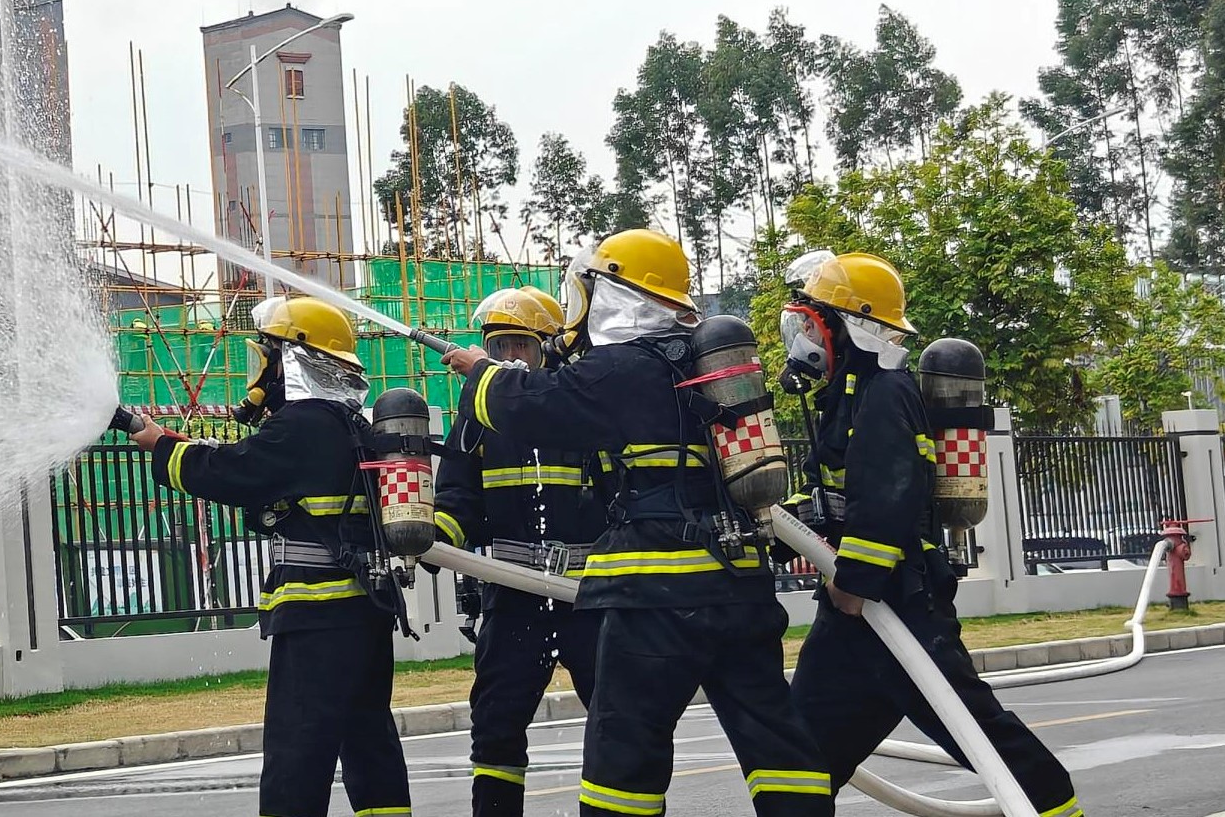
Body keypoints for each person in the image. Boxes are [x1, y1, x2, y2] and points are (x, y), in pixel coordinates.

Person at [441, 229, 831, 817]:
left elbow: (528, 406)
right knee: (778, 748)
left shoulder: (621, 367)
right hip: (740, 587)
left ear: (612, 293)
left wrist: (482, 371)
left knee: (623, 758)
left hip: (657, 597)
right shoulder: (697, 364)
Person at [780, 252, 1083, 817]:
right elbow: (841, 497)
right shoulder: (846, 395)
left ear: (843, 325)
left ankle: (1054, 808)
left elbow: (892, 495)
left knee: (989, 741)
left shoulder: (885, 393)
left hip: (898, 605)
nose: (800, 337)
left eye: (808, 322)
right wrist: (781, 526)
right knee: (799, 759)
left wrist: (856, 582)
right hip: (854, 620)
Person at [122, 295, 410, 817]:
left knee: (297, 751)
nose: (262, 370)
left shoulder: (303, 425)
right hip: (364, 612)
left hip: (316, 615)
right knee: (369, 740)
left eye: (269, 356)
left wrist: (160, 447)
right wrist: (175, 442)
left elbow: (233, 472)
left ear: (295, 360)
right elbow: (260, 470)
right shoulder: (345, 423)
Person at [433, 286, 605, 817]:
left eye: (520, 347)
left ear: (548, 349)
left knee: (619, 721)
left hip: (589, 596)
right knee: (496, 726)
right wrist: (435, 535)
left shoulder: (577, 412)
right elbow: (457, 497)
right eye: (498, 346)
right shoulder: (478, 417)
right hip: (512, 595)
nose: (508, 359)